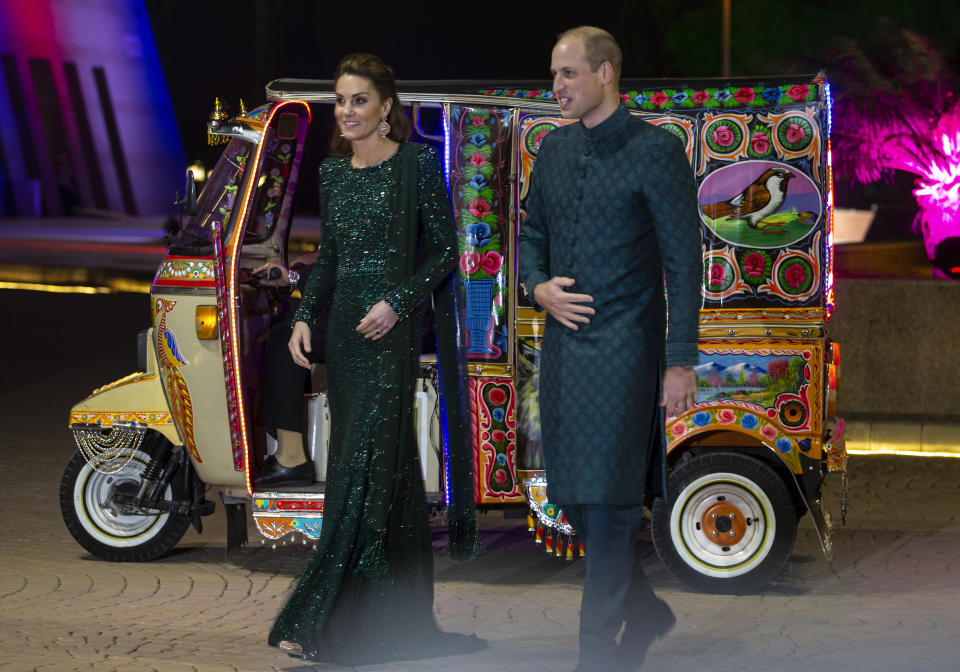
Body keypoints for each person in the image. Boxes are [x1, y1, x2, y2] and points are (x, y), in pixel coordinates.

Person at [267, 53, 483, 665]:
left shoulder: (416, 165)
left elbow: (443, 251)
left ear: (387, 106)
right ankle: (395, 617)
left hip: (388, 334)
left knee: (364, 465)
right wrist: (305, 314)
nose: (348, 111)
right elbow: (330, 257)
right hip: (343, 336)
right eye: (341, 101)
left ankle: (322, 618)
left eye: (359, 99)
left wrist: (397, 303)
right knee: (378, 475)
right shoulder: (334, 175)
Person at [518, 27, 702, 671]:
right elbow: (530, 232)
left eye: (568, 74)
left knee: (612, 503)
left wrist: (679, 360)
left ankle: (596, 657)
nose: (557, 88)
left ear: (605, 73)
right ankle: (647, 611)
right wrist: (536, 286)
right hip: (565, 353)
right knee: (573, 500)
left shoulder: (656, 151)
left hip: (627, 350)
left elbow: (685, 264)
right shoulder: (554, 150)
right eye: (553, 75)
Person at [250, 255, 326, 489]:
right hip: (371, 308)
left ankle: (291, 457)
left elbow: (339, 265)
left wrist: (293, 278)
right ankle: (284, 448)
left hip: (372, 318)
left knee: (285, 337)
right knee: (284, 324)